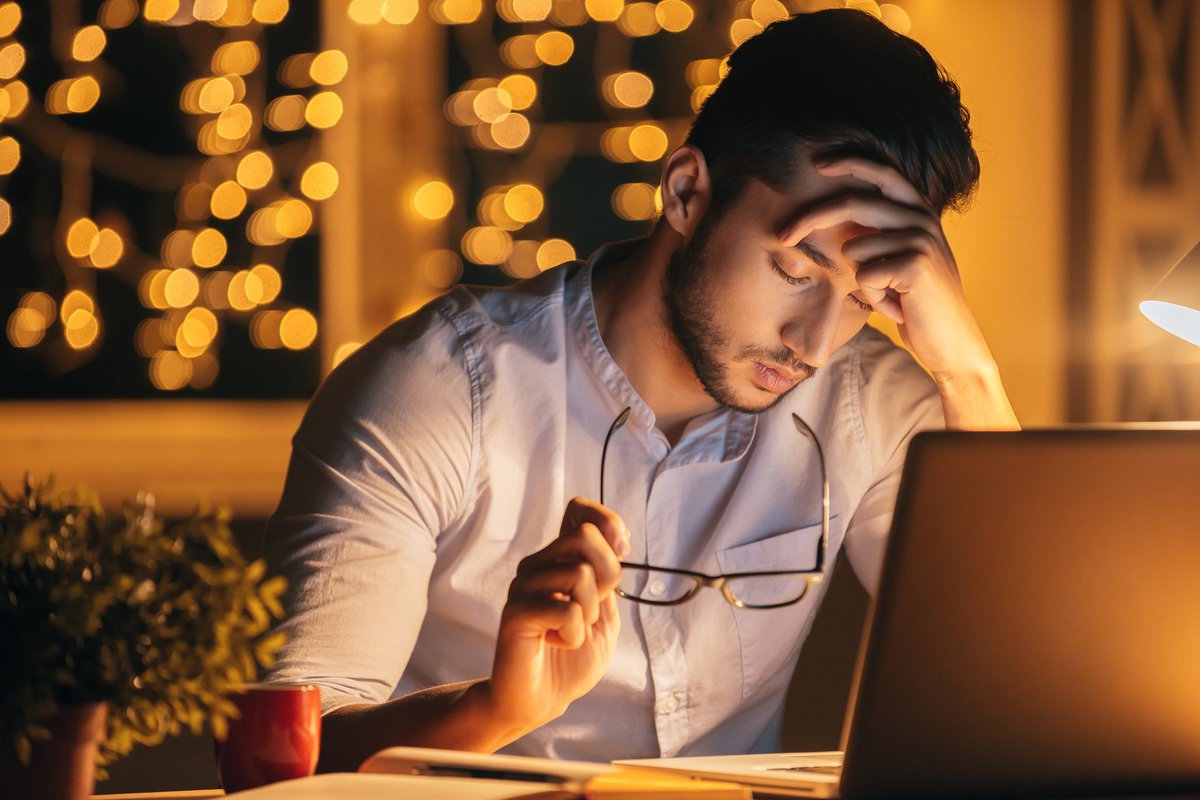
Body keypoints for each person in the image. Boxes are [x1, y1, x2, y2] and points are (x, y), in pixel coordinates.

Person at [263, 8, 1019, 774]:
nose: (815, 343)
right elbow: (281, 758)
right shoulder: (438, 385)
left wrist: (969, 373)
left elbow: (1015, 680)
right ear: (687, 192)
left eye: (863, 298)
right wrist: (497, 708)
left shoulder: (871, 402)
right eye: (795, 271)